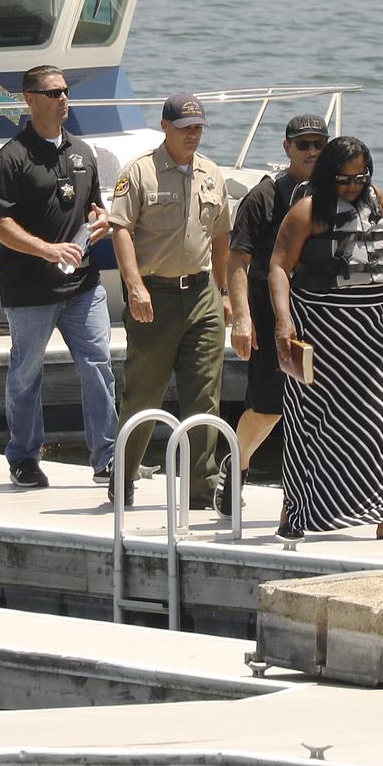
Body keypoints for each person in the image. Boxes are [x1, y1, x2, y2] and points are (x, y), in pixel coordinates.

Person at [267, 136, 383, 540]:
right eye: (344, 178)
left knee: (373, 419)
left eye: (360, 177)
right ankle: (293, 513)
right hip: (320, 328)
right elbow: (279, 267)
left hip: (369, 331)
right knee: (309, 422)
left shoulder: (377, 200)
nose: (353, 185)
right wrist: (283, 322)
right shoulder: (307, 211)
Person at [0, 63, 117, 490]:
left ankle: (108, 458)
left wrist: (102, 221)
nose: (63, 100)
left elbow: (93, 208)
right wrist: (46, 249)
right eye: (53, 93)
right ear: (30, 99)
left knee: (98, 366)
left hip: (83, 286)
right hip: (29, 291)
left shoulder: (82, 152)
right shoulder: (9, 159)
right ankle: (23, 457)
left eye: (65, 92)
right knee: (26, 374)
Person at [107, 92, 234, 508]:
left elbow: (220, 236)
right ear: (166, 127)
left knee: (204, 393)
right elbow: (121, 229)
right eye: (185, 128)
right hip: (154, 295)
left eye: (198, 128)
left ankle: (201, 485)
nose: (192, 135)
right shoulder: (140, 173)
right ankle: (122, 476)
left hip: (201, 295)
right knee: (143, 393)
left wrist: (225, 291)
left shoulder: (212, 174)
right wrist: (135, 285)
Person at [223, 113, 328, 513]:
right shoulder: (263, 197)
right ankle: (237, 463)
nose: (313, 151)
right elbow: (237, 260)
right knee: (269, 407)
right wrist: (242, 318)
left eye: (319, 143)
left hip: (317, 315)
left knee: (318, 408)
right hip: (269, 315)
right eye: (304, 145)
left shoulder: (336, 196)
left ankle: (303, 499)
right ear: (287, 148)